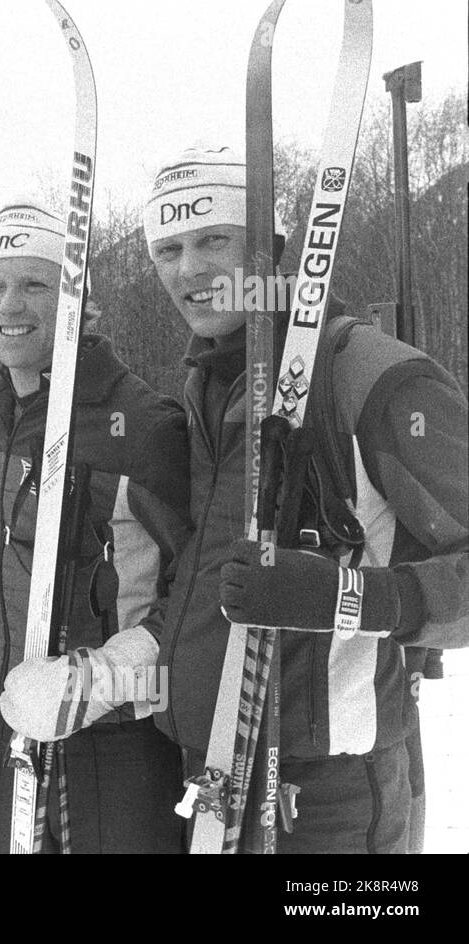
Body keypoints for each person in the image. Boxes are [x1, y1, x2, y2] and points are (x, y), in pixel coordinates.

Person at [144, 144, 469, 853]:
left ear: (275, 250)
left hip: (331, 798)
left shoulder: (367, 376)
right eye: (168, 249)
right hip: (217, 775)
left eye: (212, 241)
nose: (190, 269)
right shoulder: (205, 387)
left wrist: (345, 600)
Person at [0, 198, 191, 853]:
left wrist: (100, 682)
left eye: (36, 283)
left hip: (118, 742)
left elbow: (196, 595)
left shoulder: (143, 424)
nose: (10, 305)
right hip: (9, 732)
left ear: (78, 300)